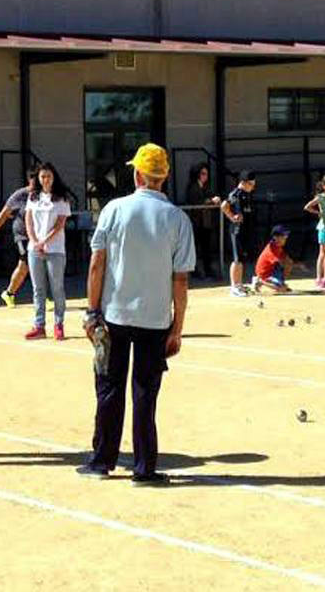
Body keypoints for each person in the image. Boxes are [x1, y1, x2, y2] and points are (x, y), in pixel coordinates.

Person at [78, 143, 195, 484]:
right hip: (155, 319)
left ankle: (102, 461)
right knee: (145, 394)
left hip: (114, 314)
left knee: (109, 388)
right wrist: (178, 328)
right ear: (164, 176)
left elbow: (97, 264)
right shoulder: (177, 218)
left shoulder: (114, 209)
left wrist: (91, 310)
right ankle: (144, 467)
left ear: (138, 174)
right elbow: (181, 280)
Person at [24, 162, 72, 341]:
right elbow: (28, 221)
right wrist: (35, 241)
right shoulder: (33, 197)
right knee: (38, 288)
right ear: (38, 178)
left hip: (55, 249)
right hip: (35, 249)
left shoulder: (61, 198)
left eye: (49, 176)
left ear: (54, 178)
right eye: (42, 176)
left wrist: (45, 241)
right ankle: (39, 325)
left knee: (57, 287)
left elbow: (60, 224)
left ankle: (58, 324)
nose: (45, 180)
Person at [0, 167, 38, 307]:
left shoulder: (43, 194)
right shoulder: (20, 195)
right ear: (29, 180)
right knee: (28, 262)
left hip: (37, 236)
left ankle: (9, 293)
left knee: (24, 267)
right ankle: (40, 295)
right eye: (35, 180)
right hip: (21, 234)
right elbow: (4, 213)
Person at [221, 170, 257, 297]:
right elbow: (224, 205)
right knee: (237, 258)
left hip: (244, 230)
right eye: (251, 184)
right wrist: (232, 217)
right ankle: (234, 286)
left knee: (241, 258)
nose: (253, 187)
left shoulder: (247, 195)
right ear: (243, 183)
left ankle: (239, 284)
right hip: (236, 230)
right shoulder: (236, 194)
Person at [184, 162, 221, 279]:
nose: (206, 176)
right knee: (195, 247)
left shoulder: (206, 187)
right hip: (195, 222)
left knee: (206, 248)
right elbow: (197, 201)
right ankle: (195, 271)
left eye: (206, 174)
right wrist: (211, 201)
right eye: (203, 174)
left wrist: (214, 199)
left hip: (205, 222)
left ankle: (207, 269)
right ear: (197, 175)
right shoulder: (193, 187)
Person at [253, 225, 299, 294]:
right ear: (276, 237)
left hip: (272, 270)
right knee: (282, 289)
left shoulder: (278, 246)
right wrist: (297, 266)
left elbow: (286, 259)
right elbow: (281, 263)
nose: (286, 238)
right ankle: (259, 281)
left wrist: (291, 263)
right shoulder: (271, 248)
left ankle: (280, 283)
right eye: (284, 236)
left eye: (286, 236)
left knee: (288, 263)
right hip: (264, 274)